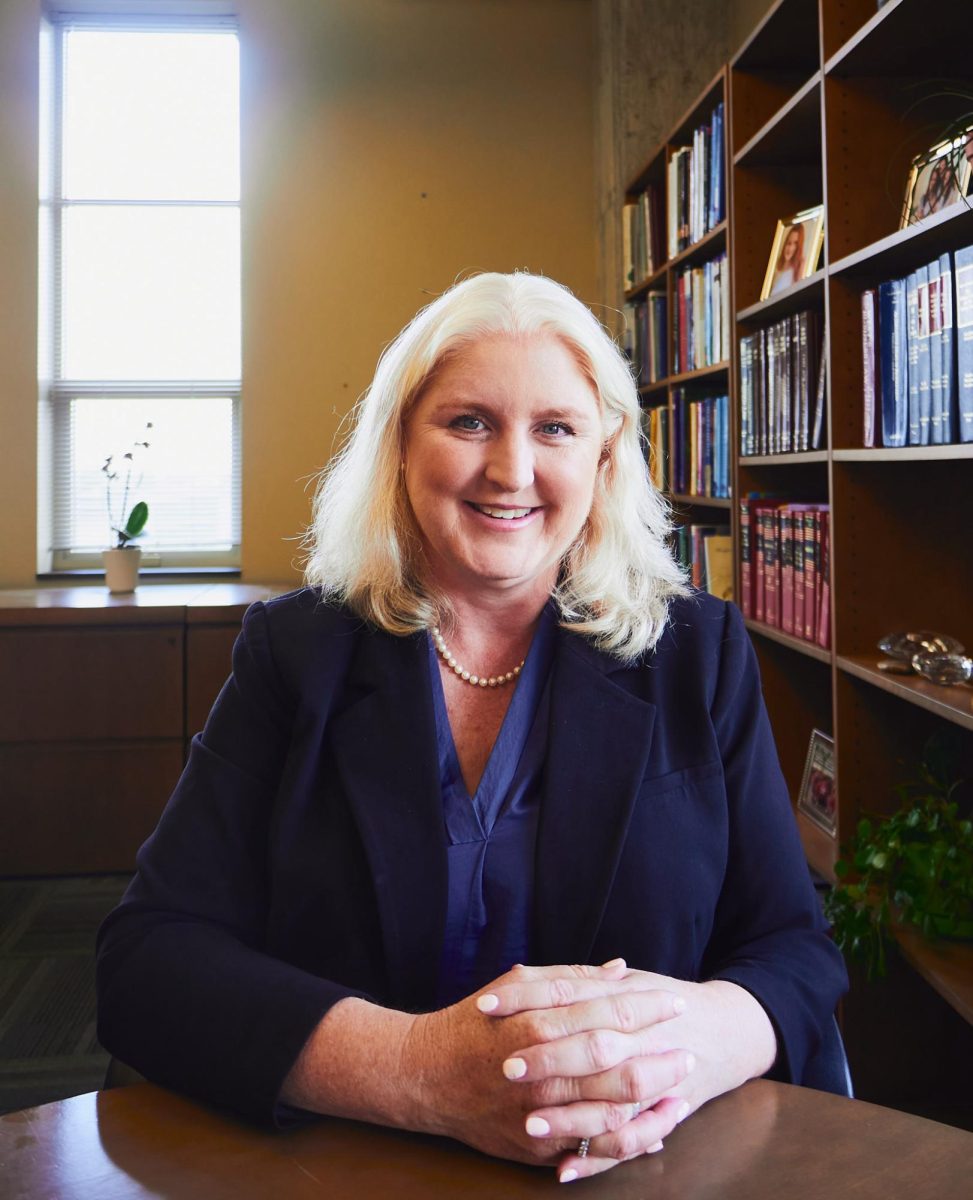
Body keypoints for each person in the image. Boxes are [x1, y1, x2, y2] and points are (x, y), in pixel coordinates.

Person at [96, 271, 847, 1184]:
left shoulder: (698, 651)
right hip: (345, 1171)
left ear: (605, 456)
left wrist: (680, 1051)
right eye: (469, 422)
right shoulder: (295, 653)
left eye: (555, 429)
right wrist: (417, 1072)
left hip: (640, 1172)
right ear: (399, 445)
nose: (512, 471)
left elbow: (791, 950)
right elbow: (146, 960)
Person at [770, 222, 804, 294]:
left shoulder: (797, 270)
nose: (790, 248)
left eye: (795, 244)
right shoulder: (776, 268)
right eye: (789, 243)